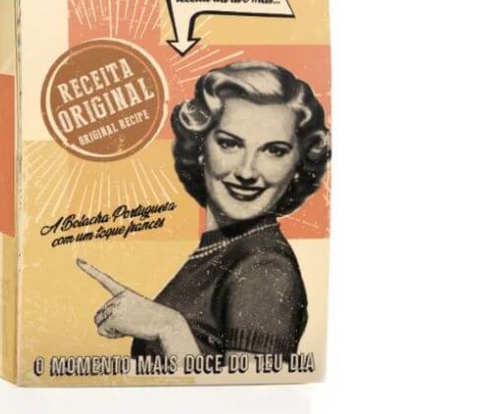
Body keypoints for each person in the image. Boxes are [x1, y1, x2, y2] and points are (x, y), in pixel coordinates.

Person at [77, 60, 331, 361]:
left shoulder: (264, 268)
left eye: (274, 150)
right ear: (201, 148)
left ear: (298, 165)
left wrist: (169, 328)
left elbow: (251, 390)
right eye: (229, 144)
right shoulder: (224, 250)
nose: (247, 171)